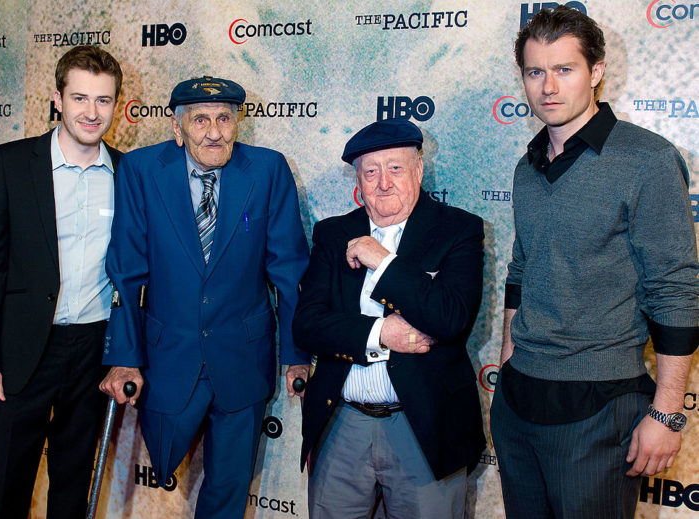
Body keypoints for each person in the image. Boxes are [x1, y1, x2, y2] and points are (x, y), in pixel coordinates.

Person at [490, 6, 699, 519]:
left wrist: (668, 413)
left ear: (596, 72)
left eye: (565, 69)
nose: (548, 87)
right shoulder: (528, 166)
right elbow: (521, 272)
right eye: (535, 72)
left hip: (599, 405)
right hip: (518, 403)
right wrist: (510, 363)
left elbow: (675, 289)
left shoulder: (646, 159)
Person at [99, 75, 310, 518]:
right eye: (200, 120)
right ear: (177, 129)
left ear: (237, 124)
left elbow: (289, 270)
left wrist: (296, 354)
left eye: (224, 118)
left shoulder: (268, 170)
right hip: (168, 358)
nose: (214, 131)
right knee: (164, 461)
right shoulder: (140, 171)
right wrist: (124, 356)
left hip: (243, 358)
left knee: (228, 494)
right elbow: (127, 271)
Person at [293, 118, 485, 518]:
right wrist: (381, 332)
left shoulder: (458, 230)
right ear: (358, 181)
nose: (383, 183)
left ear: (418, 169)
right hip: (341, 425)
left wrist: (381, 261)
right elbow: (308, 324)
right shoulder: (332, 234)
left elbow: (450, 317)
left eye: (395, 168)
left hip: (425, 428)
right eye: (371, 172)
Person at [0, 45, 123, 519]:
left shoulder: (128, 172)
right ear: (57, 99)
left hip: (93, 352)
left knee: (73, 491)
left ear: (117, 105)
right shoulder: (11, 163)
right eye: (79, 98)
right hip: (23, 353)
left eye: (103, 100)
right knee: (6, 488)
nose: (91, 113)